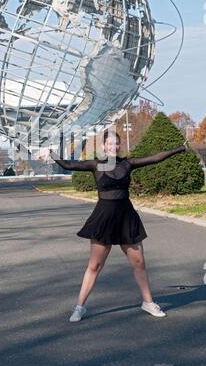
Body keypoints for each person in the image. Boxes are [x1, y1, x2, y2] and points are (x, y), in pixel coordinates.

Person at [49, 131, 190, 322]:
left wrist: (181, 148)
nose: (113, 147)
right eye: (109, 144)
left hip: (126, 217)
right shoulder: (95, 164)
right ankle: (79, 306)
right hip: (104, 218)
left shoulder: (127, 163)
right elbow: (68, 164)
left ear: (119, 145)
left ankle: (148, 302)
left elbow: (155, 158)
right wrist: (51, 153)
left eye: (116, 144)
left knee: (139, 263)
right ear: (103, 146)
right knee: (95, 265)